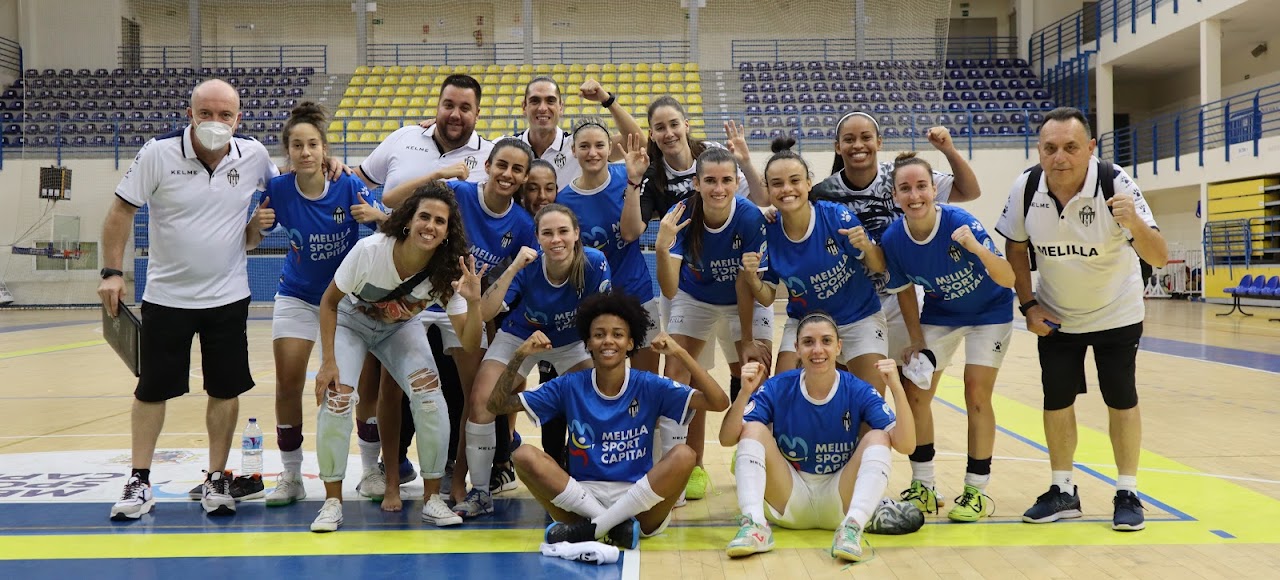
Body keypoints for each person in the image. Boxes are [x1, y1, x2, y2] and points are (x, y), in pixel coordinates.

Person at [101, 79, 280, 520]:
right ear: (190, 115)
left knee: (225, 388)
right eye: (206, 114)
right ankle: (140, 480)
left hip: (228, 296)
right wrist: (110, 272)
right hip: (166, 297)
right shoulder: (157, 153)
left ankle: (217, 477)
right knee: (152, 390)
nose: (215, 123)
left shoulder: (254, 155)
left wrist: (331, 164)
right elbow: (121, 211)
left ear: (239, 119)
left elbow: (293, 184)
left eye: (225, 115)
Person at [994, 107, 1167, 532]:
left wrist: (1134, 225)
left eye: (1071, 147)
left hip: (1117, 310)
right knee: (1056, 401)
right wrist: (1029, 305)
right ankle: (1063, 490)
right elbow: (1015, 249)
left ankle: (1127, 491)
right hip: (1057, 316)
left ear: (1090, 149)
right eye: (1050, 148)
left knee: (1120, 397)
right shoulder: (1027, 186)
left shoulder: (1116, 183)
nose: (1060, 158)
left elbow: (1159, 256)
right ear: (1039, 150)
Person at [487, 292, 731, 548]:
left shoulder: (647, 384)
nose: (608, 341)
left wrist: (680, 353)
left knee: (684, 454)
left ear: (630, 343)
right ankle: (609, 525)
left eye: (617, 334)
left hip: (640, 503)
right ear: (588, 343)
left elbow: (719, 402)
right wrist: (519, 356)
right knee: (524, 455)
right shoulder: (570, 385)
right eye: (599, 334)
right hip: (582, 499)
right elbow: (496, 405)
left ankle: (595, 528)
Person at [311, 183, 485, 532]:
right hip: (349, 321)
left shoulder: (447, 271)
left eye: (439, 221)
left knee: (430, 396)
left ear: (447, 232)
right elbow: (329, 302)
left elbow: (468, 343)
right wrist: (328, 361)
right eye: (424, 217)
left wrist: (475, 301)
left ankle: (432, 499)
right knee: (338, 398)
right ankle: (332, 502)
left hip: (398, 328)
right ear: (408, 221)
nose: (430, 226)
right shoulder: (370, 251)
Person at [357, 73, 494, 500]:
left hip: (453, 286)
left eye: (465, 107)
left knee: (469, 387)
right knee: (390, 385)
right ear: (437, 105)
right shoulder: (402, 139)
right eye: (449, 104)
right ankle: (387, 469)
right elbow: (373, 188)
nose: (455, 114)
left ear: (477, 112)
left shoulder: (489, 154)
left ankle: (469, 474)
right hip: (401, 289)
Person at [258, 102, 389, 507]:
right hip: (297, 295)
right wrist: (254, 227)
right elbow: (250, 239)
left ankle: (369, 470)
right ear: (288, 152)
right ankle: (292, 475)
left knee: (364, 386)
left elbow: (390, 230)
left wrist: (377, 214)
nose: (305, 152)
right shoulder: (278, 190)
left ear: (324, 149)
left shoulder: (347, 184)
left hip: (348, 298)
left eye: (312, 144)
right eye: (296, 145)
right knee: (288, 383)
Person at [879, 152, 1015, 521]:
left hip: (990, 312)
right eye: (905, 188)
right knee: (916, 395)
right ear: (895, 196)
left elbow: (1008, 278)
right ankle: (924, 486)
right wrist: (915, 338)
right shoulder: (893, 238)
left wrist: (975, 247)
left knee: (976, 392)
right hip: (941, 314)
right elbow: (905, 289)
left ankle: (976, 490)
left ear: (933, 189)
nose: (915, 195)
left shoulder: (960, 221)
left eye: (921, 186)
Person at [718, 313, 915, 562]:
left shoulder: (858, 389)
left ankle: (852, 527)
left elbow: (907, 445)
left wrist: (897, 389)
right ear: (796, 349)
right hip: (789, 498)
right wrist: (745, 393)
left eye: (826, 341)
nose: (818, 349)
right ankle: (755, 525)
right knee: (753, 430)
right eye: (809, 342)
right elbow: (727, 439)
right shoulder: (778, 386)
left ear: (838, 347)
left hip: (839, 501)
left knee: (878, 437)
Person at [460, 203, 615, 517]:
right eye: (547, 233)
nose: (556, 239)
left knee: (602, 398)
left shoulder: (594, 263)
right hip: (521, 336)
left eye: (562, 232)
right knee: (482, 401)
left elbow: (604, 320)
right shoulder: (528, 265)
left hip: (572, 342)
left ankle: (599, 484)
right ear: (538, 238)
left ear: (576, 235)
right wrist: (515, 266)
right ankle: (479, 492)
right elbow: (487, 313)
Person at [812, 113, 981, 384]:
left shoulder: (902, 176)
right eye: (849, 139)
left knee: (912, 394)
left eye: (866, 137)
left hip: (903, 300)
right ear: (837, 146)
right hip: (852, 304)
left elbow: (969, 190)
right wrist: (775, 212)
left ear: (879, 142)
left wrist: (948, 149)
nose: (858, 145)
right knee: (858, 395)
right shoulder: (823, 192)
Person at [653, 146, 773, 504]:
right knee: (677, 372)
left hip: (741, 297)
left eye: (725, 180)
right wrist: (662, 248)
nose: (718, 188)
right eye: (710, 181)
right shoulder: (682, 216)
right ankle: (687, 465)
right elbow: (671, 288)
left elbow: (748, 284)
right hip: (694, 295)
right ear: (696, 182)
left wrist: (748, 339)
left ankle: (749, 450)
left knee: (756, 369)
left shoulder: (750, 219)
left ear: (737, 182)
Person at [740, 138, 886, 388]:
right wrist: (752, 278)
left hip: (858, 318)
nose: (787, 189)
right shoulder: (767, 231)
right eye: (777, 184)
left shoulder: (836, 216)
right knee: (784, 393)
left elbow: (879, 266)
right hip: (804, 321)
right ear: (768, 189)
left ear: (809, 183)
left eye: (795, 181)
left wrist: (867, 247)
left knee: (869, 404)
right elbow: (767, 298)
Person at [554, 121, 659, 372]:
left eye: (599, 145)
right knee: (603, 381)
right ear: (573, 150)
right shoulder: (564, 199)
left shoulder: (629, 175)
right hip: (593, 301)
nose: (592, 153)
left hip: (637, 292)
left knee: (647, 379)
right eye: (585, 146)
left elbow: (636, 229)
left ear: (610, 147)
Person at [513, 77, 643, 190]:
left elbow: (639, 143)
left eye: (550, 101)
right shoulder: (506, 148)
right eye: (535, 101)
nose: (542, 108)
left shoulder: (579, 147)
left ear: (561, 107)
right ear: (524, 107)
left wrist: (608, 100)